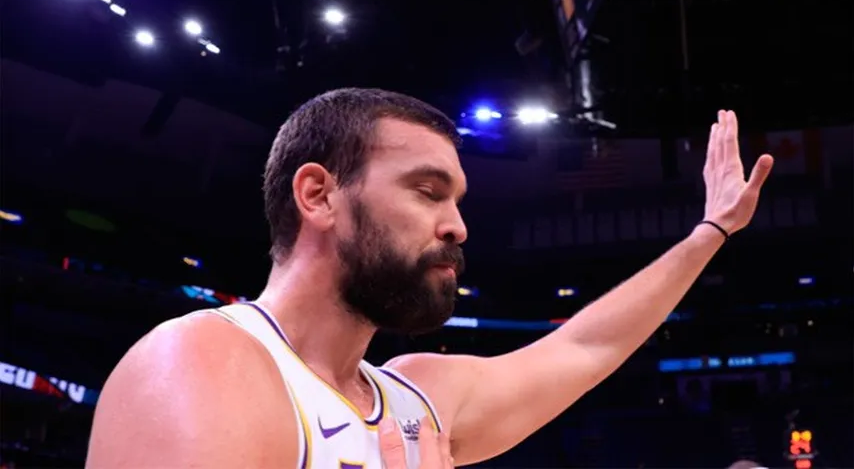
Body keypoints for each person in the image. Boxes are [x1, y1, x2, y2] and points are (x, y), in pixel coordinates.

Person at [86, 88, 774, 468]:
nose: (457, 226)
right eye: (426, 190)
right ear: (319, 195)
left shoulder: (417, 397)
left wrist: (709, 234)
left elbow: (582, 349)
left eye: (459, 201)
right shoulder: (205, 363)